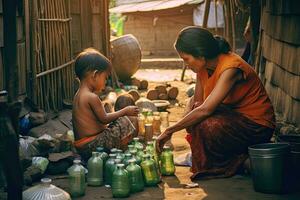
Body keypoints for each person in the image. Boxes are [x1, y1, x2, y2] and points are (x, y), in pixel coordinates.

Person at [156, 27, 275, 180]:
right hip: (233, 118)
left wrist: (169, 130)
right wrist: (188, 113)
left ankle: (238, 162)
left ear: (201, 54)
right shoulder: (202, 68)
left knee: (207, 124)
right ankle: (211, 158)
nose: (185, 64)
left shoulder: (231, 68)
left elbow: (206, 110)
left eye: (186, 59)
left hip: (256, 126)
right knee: (194, 115)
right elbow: (199, 103)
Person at [72, 48, 139, 160]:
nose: (105, 82)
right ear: (94, 75)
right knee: (127, 120)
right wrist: (125, 111)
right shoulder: (91, 97)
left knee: (112, 114)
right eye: (105, 78)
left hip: (83, 147)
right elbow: (104, 119)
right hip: (94, 145)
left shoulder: (78, 95)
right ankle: (123, 150)